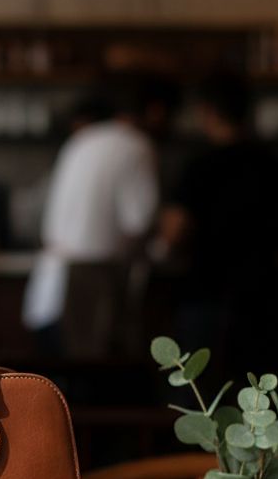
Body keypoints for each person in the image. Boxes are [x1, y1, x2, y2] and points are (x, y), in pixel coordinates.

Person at [160, 71, 278, 378]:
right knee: (260, 399)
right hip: (264, 294)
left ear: (206, 111)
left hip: (207, 292)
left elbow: (174, 231)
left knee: (200, 398)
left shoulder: (200, 166)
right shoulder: (273, 165)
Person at [23, 74, 178, 355]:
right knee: (102, 388)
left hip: (49, 290)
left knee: (62, 391)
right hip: (92, 295)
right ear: (157, 111)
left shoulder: (83, 140)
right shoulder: (137, 146)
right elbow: (140, 221)